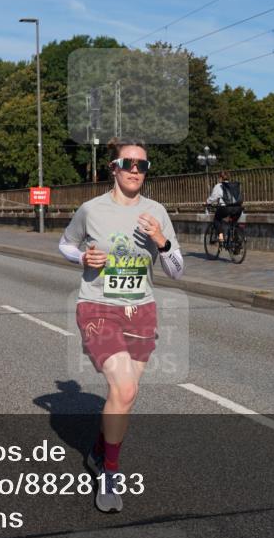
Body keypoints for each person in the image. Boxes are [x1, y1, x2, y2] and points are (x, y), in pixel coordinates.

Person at [59, 138, 184, 513]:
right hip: (98, 306)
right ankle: (110, 473)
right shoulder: (91, 210)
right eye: (128, 163)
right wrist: (83, 255)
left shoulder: (157, 211)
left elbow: (177, 271)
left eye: (142, 165)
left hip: (141, 310)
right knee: (125, 387)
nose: (135, 170)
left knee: (125, 396)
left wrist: (162, 242)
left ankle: (100, 449)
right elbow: (65, 244)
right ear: (113, 167)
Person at [206, 170, 243, 242]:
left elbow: (213, 198)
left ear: (220, 178)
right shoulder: (234, 186)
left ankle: (221, 236)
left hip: (225, 208)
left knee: (216, 219)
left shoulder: (219, 186)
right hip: (238, 208)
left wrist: (207, 202)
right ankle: (236, 237)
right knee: (233, 223)